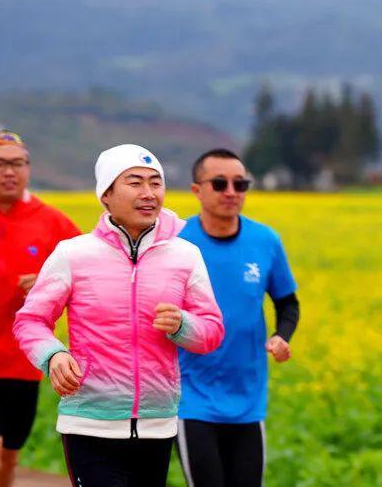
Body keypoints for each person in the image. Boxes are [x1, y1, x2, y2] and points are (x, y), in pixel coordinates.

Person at [13, 144, 225, 487]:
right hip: (89, 423)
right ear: (106, 194)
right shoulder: (73, 254)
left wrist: (183, 326)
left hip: (158, 425)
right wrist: (53, 355)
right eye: (135, 182)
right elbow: (31, 320)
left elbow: (212, 331)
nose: (149, 193)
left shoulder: (186, 255)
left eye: (156, 183)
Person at [176, 148, 300, 487]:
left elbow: (287, 303)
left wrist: (281, 336)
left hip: (248, 399)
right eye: (219, 183)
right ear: (196, 190)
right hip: (192, 397)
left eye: (240, 184)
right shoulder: (176, 242)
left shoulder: (265, 240)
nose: (231, 192)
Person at [0, 130, 81, 487]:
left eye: (18, 163)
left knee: (8, 458)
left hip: (25, 359)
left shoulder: (53, 223)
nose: (9, 172)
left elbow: (88, 276)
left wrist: (49, 284)